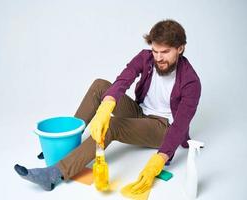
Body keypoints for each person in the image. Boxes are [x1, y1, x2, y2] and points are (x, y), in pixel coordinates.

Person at [14, 19, 201, 194]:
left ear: (180, 48)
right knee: (100, 86)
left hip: (163, 128)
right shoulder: (146, 58)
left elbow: (180, 125)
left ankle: (54, 174)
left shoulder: (191, 82)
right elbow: (123, 79)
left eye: (165, 52)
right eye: (155, 51)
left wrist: (161, 158)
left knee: (112, 125)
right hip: (140, 112)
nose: (159, 58)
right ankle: (69, 146)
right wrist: (107, 104)